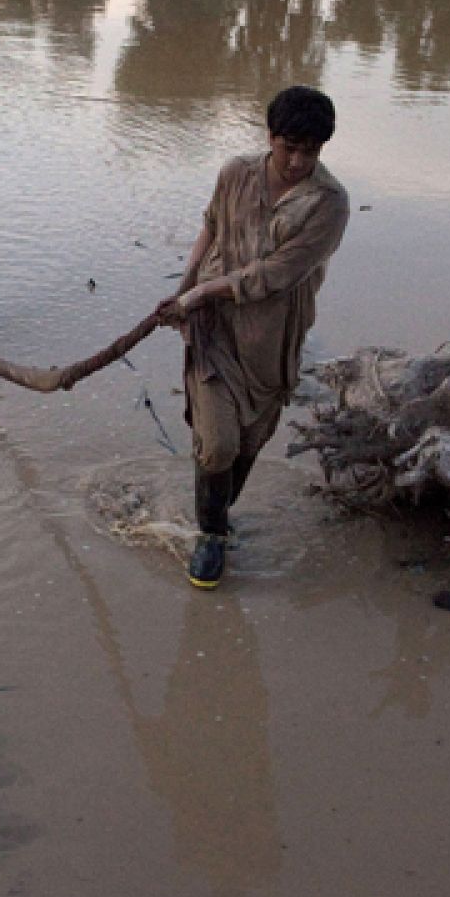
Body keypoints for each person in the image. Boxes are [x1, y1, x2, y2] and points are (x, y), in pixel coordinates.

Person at [157, 86, 350, 590]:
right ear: (270, 137)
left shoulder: (329, 204)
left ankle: (218, 515)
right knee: (218, 444)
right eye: (289, 147)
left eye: (310, 151)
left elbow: (276, 274)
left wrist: (202, 293)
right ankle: (212, 538)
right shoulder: (236, 173)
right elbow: (211, 226)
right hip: (215, 328)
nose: (297, 160)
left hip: (273, 338)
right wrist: (186, 287)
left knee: (246, 445)